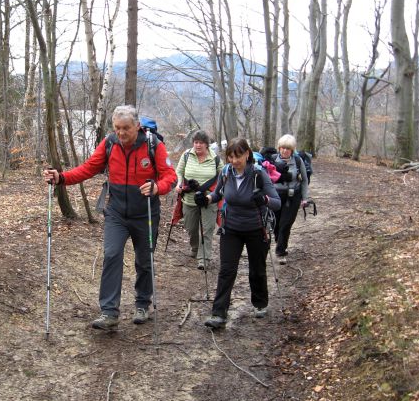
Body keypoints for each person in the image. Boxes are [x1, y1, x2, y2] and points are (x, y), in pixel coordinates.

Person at [43, 105, 177, 330]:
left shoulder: (153, 145)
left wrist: (156, 187)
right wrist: (61, 178)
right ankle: (109, 311)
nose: (121, 133)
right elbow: (89, 168)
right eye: (117, 128)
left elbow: (171, 177)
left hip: (145, 213)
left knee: (144, 261)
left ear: (137, 126)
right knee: (112, 254)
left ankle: (143, 303)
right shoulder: (110, 144)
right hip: (116, 212)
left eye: (126, 128)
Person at [197, 137, 281, 329]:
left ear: (247, 154)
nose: (234, 161)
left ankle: (260, 303)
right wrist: (207, 198)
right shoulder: (226, 172)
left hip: (256, 228)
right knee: (226, 270)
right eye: (230, 157)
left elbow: (276, 202)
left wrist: (264, 199)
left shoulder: (259, 174)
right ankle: (219, 313)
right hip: (231, 228)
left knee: (257, 269)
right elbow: (218, 193)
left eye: (238, 156)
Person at [175, 130, 223, 270]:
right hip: (189, 199)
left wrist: (216, 192)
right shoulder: (186, 156)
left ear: (207, 145)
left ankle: (203, 258)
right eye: (196, 142)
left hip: (209, 199)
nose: (198, 145)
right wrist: (179, 184)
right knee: (191, 228)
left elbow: (223, 175)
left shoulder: (215, 159)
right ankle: (195, 247)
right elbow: (179, 171)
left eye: (201, 143)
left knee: (207, 229)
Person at [270, 134, 310, 265]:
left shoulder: (298, 161)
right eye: (282, 148)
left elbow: (304, 180)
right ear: (279, 148)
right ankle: (279, 241)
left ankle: (280, 251)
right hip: (275, 196)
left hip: (293, 197)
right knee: (275, 224)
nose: (285, 151)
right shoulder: (272, 161)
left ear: (292, 149)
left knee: (285, 224)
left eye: (288, 148)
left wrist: (305, 199)